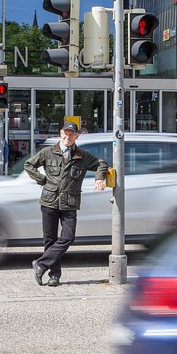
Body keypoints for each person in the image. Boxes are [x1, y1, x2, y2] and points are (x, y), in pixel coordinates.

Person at [24, 122, 108, 287]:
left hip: (69, 203)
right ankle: (54, 276)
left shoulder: (82, 156)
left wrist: (99, 177)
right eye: (65, 133)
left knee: (68, 237)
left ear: (77, 136)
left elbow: (101, 164)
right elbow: (29, 165)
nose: (67, 137)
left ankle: (40, 264)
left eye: (71, 134)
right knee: (50, 240)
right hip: (49, 201)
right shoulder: (48, 152)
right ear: (61, 133)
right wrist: (41, 179)